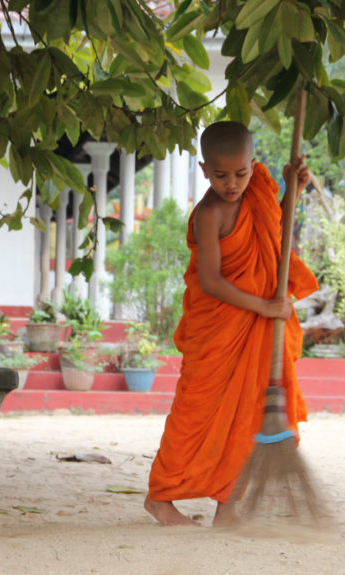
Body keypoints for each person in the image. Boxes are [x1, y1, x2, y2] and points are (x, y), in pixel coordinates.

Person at [144, 121, 319, 526]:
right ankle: (160, 498)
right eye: (220, 175)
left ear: (252, 165)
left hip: (255, 328)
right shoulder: (209, 213)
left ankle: (228, 503)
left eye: (241, 173)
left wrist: (294, 187)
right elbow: (211, 280)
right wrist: (264, 306)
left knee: (250, 412)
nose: (232, 183)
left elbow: (274, 226)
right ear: (204, 170)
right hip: (219, 329)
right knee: (193, 412)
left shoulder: (256, 189)